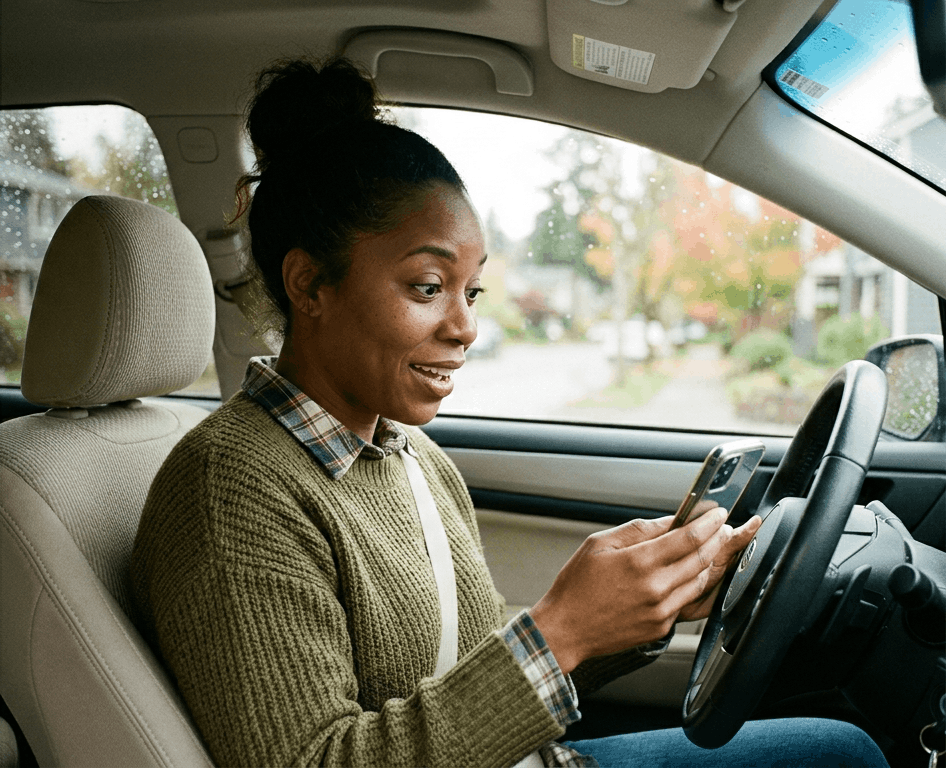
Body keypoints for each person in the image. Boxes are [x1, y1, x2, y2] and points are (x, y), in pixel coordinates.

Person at [130, 57, 890, 768]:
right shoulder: (229, 489)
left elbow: (476, 680)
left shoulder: (412, 459)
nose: (466, 327)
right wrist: (561, 631)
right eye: (428, 287)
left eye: (473, 291)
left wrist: (632, 611)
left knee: (840, 749)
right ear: (309, 285)